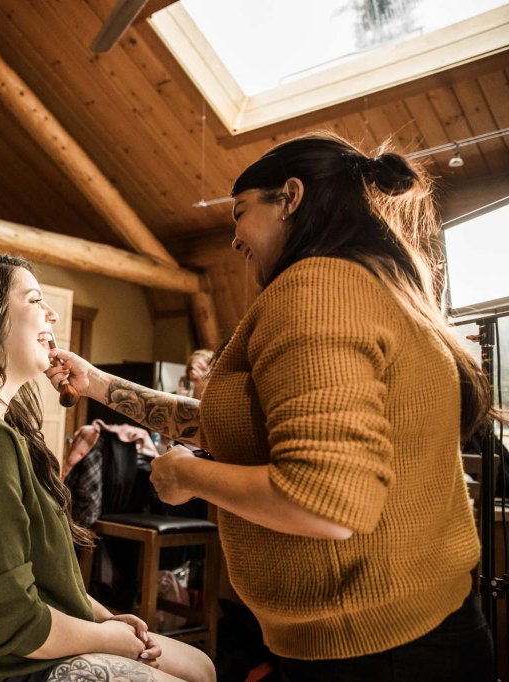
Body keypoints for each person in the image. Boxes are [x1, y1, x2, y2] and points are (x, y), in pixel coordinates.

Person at [47, 133, 500, 681]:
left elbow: (324, 503)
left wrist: (187, 473)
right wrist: (96, 383)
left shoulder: (315, 290)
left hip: (373, 653)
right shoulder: (377, 285)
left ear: (290, 196)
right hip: (408, 631)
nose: (234, 240)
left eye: (240, 212)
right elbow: (233, 425)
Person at [0, 256, 215, 682]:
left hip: (17, 644)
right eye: (35, 299)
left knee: (202, 665)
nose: (53, 313)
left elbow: (43, 576)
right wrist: (109, 638)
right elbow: (5, 622)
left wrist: (105, 616)